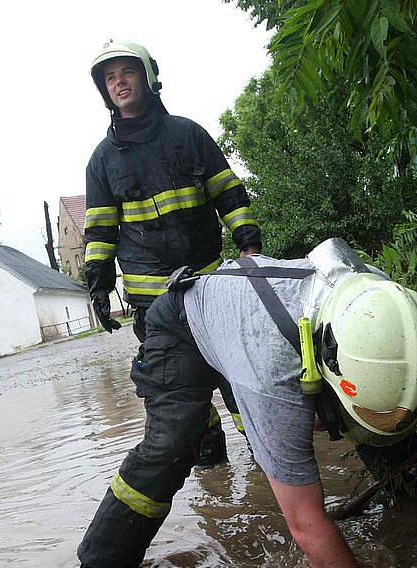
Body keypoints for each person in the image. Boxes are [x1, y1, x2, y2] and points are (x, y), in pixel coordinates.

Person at [77, 238, 417, 568]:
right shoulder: (271, 372)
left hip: (249, 322)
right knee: (174, 442)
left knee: (379, 425)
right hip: (182, 326)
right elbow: (305, 525)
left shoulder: (384, 305)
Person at [84, 39, 262, 466]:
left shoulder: (188, 135)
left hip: (213, 285)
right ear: (104, 90)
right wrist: (99, 288)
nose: (119, 82)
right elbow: (101, 231)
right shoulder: (103, 160)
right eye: (110, 77)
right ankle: (213, 475)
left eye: (126, 72)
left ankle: (264, 457)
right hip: (154, 304)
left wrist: (250, 247)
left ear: (147, 76)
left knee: (239, 379)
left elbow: (228, 193)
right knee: (183, 396)